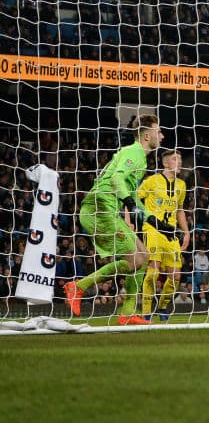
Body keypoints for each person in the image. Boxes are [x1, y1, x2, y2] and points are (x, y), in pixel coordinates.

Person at [64, 115, 162, 325]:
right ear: (147, 135)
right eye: (158, 131)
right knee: (134, 260)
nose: (161, 135)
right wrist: (128, 202)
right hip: (99, 207)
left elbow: (132, 194)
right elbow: (117, 180)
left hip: (108, 208)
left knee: (143, 256)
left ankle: (127, 313)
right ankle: (78, 286)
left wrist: (155, 221)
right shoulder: (134, 152)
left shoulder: (138, 157)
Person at [137, 149, 190, 321]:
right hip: (152, 229)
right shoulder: (151, 181)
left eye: (180, 159)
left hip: (171, 232)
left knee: (175, 277)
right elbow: (133, 199)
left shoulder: (181, 185)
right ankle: (146, 313)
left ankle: (162, 307)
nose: (179, 162)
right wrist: (129, 219)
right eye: (175, 159)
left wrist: (186, 232)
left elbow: (180, 210)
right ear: (165, 163)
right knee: (153, 272)